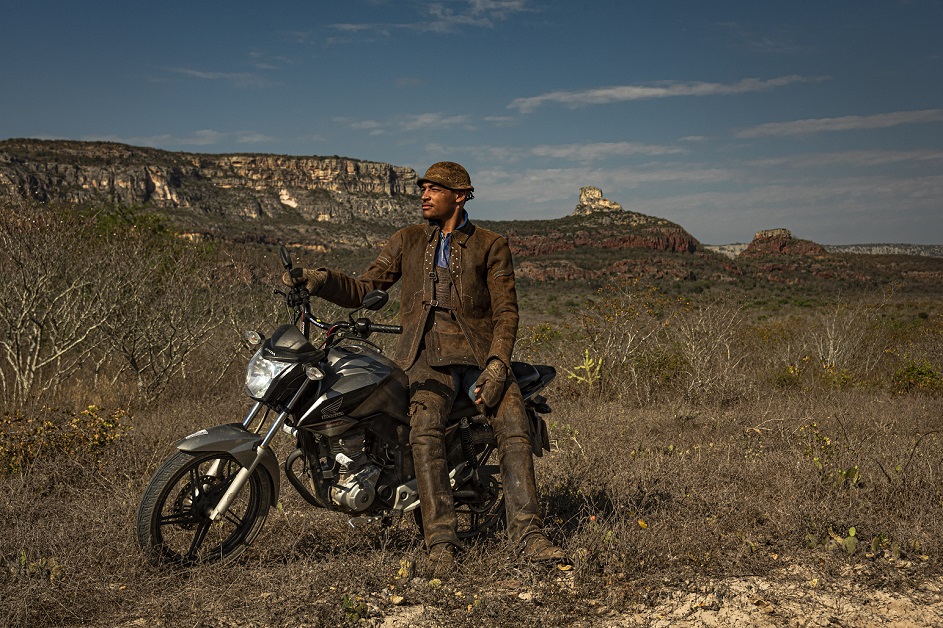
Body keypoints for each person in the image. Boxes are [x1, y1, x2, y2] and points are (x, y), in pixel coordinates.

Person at [284, 161, 565, 575]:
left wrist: (497, 366)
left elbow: (506, 312)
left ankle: (530, 536)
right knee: (425, 430)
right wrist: (319, 279)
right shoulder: (408, 240)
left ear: (461, 195)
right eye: (423, 188)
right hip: (424, 362)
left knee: (513, 423)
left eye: (435, 188)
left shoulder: (491, 244)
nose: (424, 194)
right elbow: (366, 287)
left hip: (478, 361)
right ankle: (441, 544)